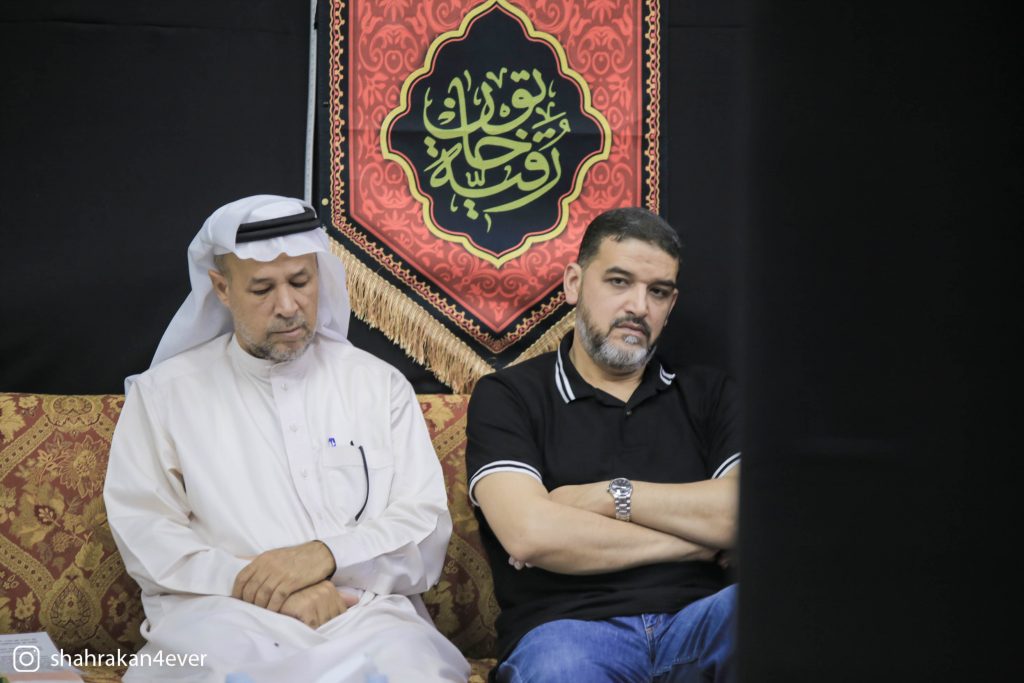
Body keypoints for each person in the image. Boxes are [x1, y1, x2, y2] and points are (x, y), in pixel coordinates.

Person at [104, 195, 469, 683]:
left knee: (410, 669)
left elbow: (423, 524)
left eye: (301, 282)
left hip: (361, 615)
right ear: (221, 288)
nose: (288, 306)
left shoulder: (377, 386)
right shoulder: (164, 395)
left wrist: (326, 556)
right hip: (220, 617)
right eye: (262, 288)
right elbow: (147, 532)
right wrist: (260, 585)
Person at [466, 207, 740, 682]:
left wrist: (611, 495)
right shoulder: (509, 396)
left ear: (671, 304)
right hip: (570, 633)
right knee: (560, 670)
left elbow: (747, 515)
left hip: (699, 621)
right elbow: (531, 533)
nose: (639, 307)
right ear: (574, 283)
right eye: (618, 282)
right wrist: (696, 545)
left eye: (658, 292)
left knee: (780, 606)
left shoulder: (710, 394)